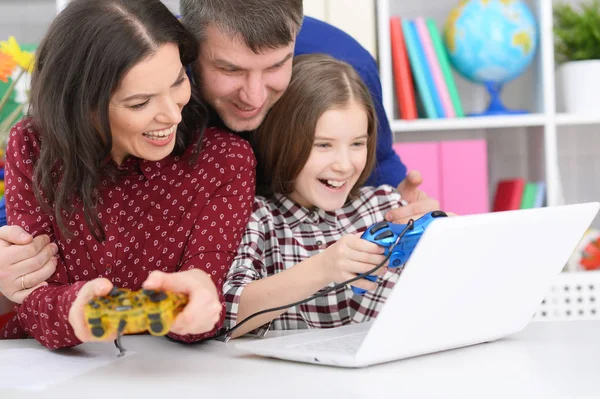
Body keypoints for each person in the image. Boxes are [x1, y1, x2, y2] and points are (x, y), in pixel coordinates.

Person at [0, 0, 439, 318]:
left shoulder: (344, 68)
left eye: (275, 68)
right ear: (191, 51)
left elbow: (380, 181)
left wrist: (407, 216)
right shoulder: (151, 54)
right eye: (229, 70)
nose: (252, 97)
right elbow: (54, 170)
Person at [0, 0, 256, 348]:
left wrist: (197, 301)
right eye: (140, 103)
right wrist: (75, 312)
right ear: (82, 105)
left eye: (178, 81)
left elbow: (199, 304)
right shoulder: (33, 146)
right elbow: (30, 297)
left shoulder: (225, 161)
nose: (172, 115)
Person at [223, 54, 409, 338]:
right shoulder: (258, 218)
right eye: (323, 145)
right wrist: (323, 268)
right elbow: (226, 316)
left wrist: (451, 241)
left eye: (358, 143)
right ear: (281, 140)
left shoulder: (386, 206)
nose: (345, 165)